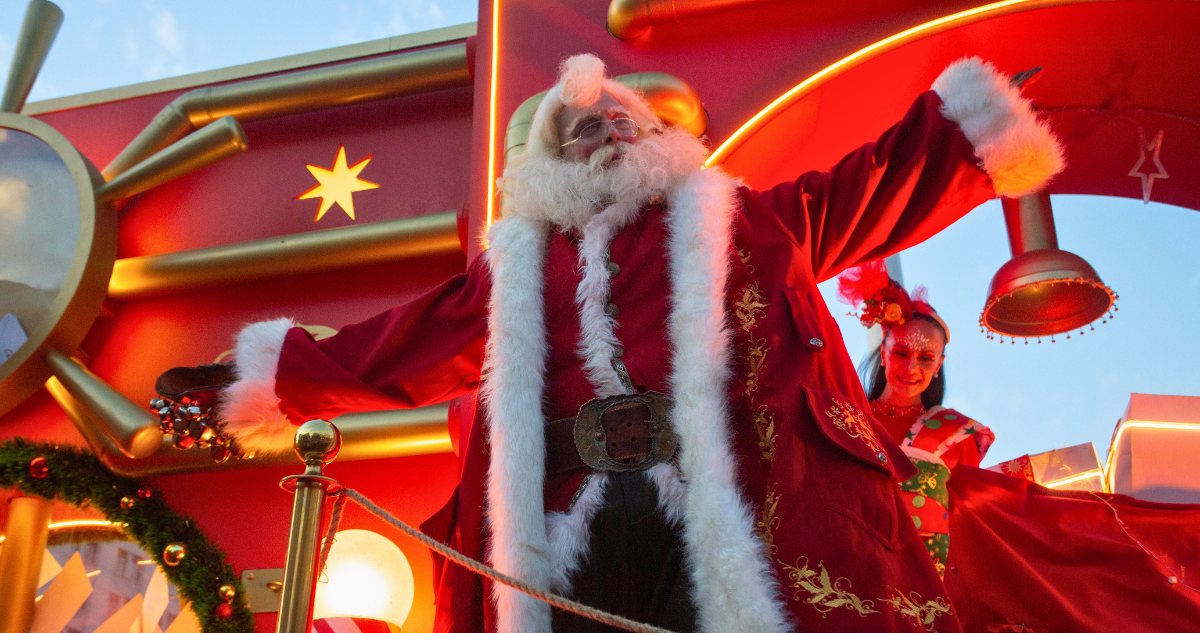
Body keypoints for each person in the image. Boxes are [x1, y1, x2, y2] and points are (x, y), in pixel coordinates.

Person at [155, 54, 1063, 632]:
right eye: (586, 125)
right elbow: (395, 349)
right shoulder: (517, 265)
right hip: (572, 520)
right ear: (551, 160)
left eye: (625, 119)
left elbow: (866, 190)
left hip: (726, 507)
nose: (610, 129)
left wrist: (961, 133)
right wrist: (254, 379)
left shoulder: (741, 221)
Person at [837, 261, 995, 577]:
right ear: (883, 351)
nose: (911, 368)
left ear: (940, 364)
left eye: (926, 358)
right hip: (852, 569)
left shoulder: (959, 433)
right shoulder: (847, 420)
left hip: (928, 584)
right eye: (901, 353)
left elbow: (973, 521)